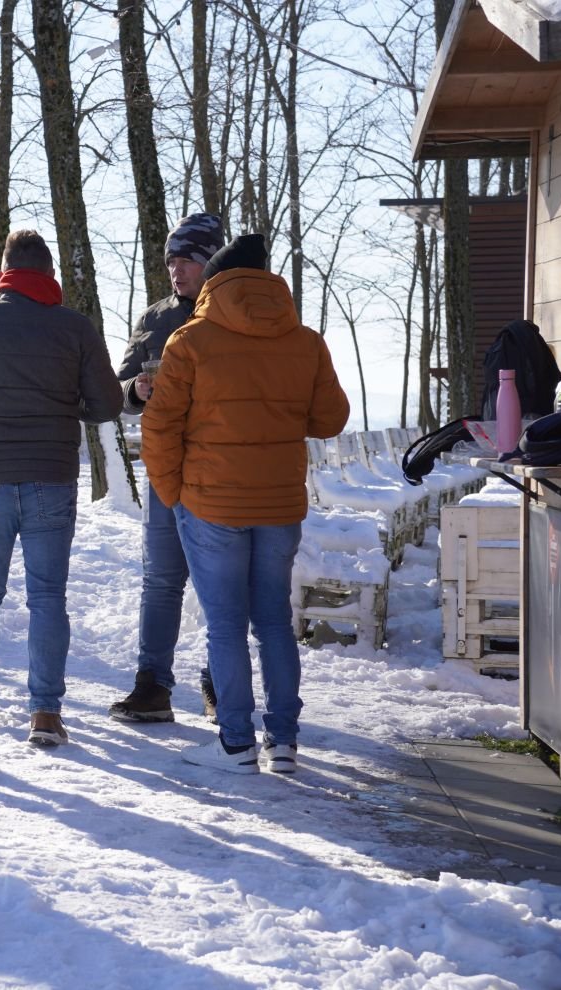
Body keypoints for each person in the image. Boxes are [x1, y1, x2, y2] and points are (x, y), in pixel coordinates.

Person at [142, 234, 349, 774]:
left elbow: (159, 426)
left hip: (210, 503)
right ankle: (283, 742)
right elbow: (330, 420)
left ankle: (236, 742)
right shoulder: (306, 341)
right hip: (279, 503)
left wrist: (173, 493)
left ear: (214, 281)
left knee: (226, 626)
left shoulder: (189, 340)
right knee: (275, 622)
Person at [0, 230, 123, 746]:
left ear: (5, 270)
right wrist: (65, 407)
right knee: (47, 597)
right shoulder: (74, 328)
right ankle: (44, 714)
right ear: (50, 272)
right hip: (51, 476)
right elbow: (106, 404)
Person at [108, 212, 225, 725]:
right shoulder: (154, 318)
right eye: (171, 261)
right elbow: (120, 388)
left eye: (187, 261)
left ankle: (222, 683)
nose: (177, 271)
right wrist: (136, 390)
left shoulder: (233, 312)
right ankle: (152, 684)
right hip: (165, 469)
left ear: (210, 263)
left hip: (224, 467)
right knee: (160, 581)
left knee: (221, 581)